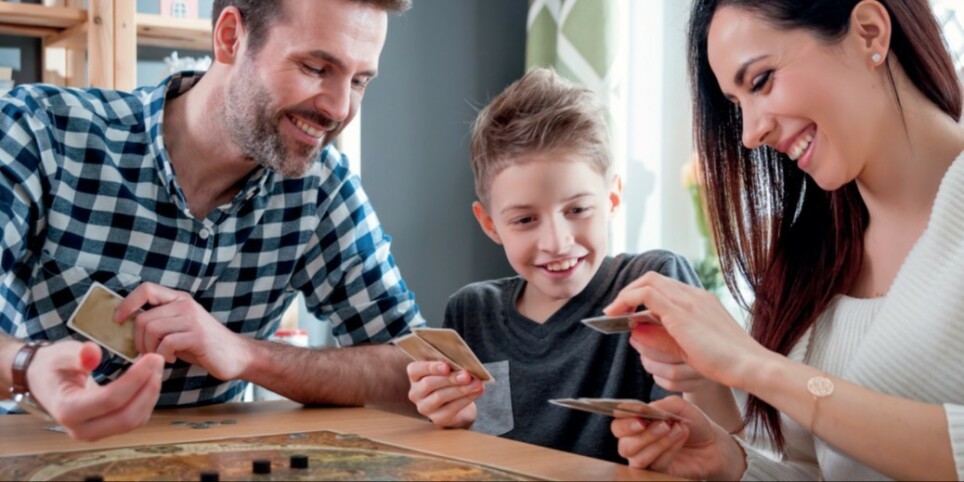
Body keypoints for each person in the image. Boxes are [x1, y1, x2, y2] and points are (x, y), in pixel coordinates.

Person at [0, 0, 425, 442]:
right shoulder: (40, 132)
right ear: (230, 38)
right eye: (316, 67)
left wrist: (246, 355)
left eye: (358, 81)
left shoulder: (322, 189)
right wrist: (26, 365)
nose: (340, 109)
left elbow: (414, 368)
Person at [605, 0, 964, 480]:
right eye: (738, 106)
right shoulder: (810, 259)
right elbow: (814, 471)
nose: (751, 133)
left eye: (760, 81)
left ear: (870, 33)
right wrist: (731, 464)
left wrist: (754, 366)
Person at [404, 68, 703, 463]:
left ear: (612, 199)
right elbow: (473, 449)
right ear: (490, 224)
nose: (557, 242)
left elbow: (702, 441)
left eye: (578, 209)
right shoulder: (471, 312)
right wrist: (452, 421)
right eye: (525, 220)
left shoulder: (655, 285)